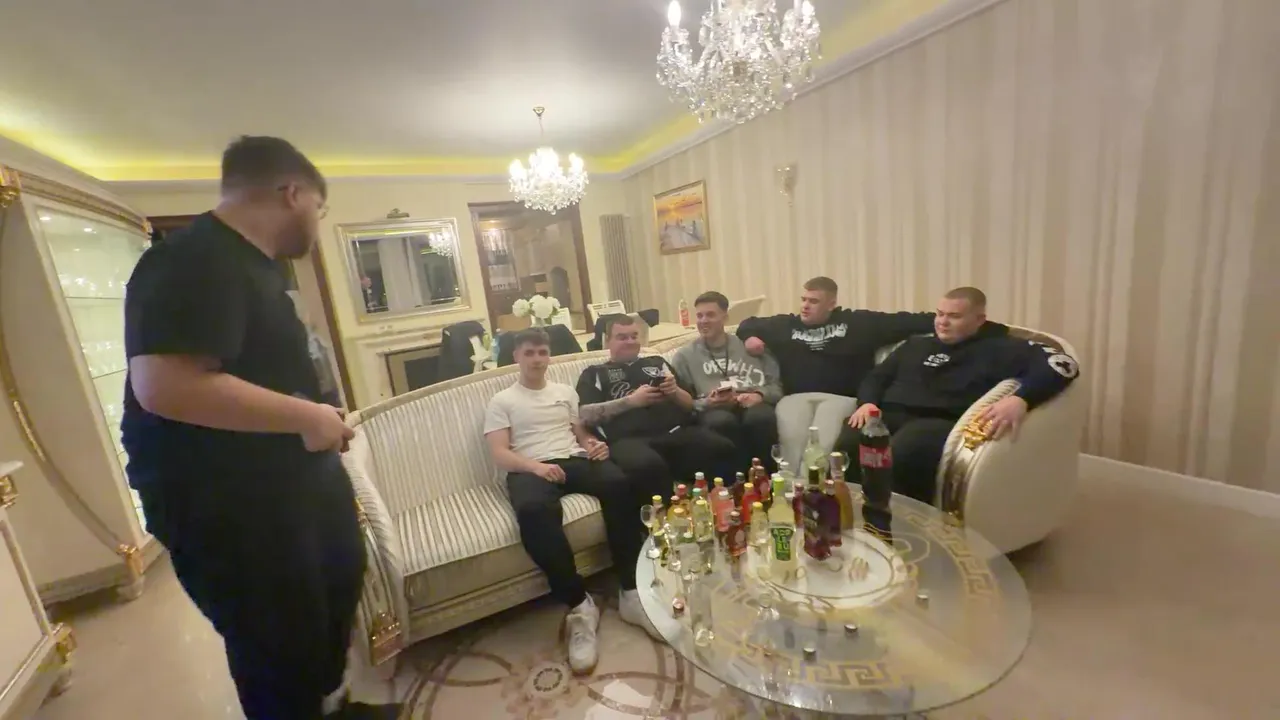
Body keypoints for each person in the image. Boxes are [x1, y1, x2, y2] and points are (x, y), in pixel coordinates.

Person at [122, 137, 393, 719]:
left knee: (335, 595)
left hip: (293, 484)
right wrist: (309, 417)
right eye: (319, 208)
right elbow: (165, 385)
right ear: (291, 193)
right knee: (278, 648)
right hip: (232, 506)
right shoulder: (194, 259)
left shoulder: (256, 268)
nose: (317, 221)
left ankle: (334, 708)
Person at [484, 329, 657, 676]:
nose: (537, 359)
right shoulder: (502, 401)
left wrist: (594, 445)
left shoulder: (564, 392)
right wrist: (536, 467)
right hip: (530, 467)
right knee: (534, 511)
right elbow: (500, 453)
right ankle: (579, 606)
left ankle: (630, 591)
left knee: (619, 483)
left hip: (573, 459)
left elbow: (579, 433)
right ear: (516, 357)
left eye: (542, 352)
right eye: (529, 352)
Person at [835, 287, 1080, 502]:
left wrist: (1022, 398)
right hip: (887, 413)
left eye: (954, 316)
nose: (942, 322)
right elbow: (876, 377)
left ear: (979, 319)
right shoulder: (916, 344)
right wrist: (867, 403)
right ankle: (846, 512)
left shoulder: (1003, 348)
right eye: (939, 314)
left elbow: (1063, 364)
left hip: (938, 420)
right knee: (846, 448)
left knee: (903, 452)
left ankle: (903, 524)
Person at [737, 276, 934, 470]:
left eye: (813, 301)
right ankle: (788, 487)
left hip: (841, 398)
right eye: (803, 299)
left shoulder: (858, 323)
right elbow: (747, 324)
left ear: (831, 304)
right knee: (790, 450)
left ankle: (812, 488)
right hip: (794, 398)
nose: (805, 306)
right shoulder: (785, 325)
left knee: (820, 453)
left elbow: (911, 321)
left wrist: (944, 321)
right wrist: (749, 337)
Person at [576, 315, 738, 493]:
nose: (630, 342)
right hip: (628, 441)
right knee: (648, 466)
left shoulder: (657, 363)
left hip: (674, 432)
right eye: (622, 337)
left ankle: (722, 504)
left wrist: (675, 392)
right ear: (607, 341)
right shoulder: (594, 373)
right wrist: (630, 401)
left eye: (634, 336)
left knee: (721, 448)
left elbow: (690, 404)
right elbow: (585, 414)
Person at [670, 291, 782, 472]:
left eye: (710, 315)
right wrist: (708, 402)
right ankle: (734, 481)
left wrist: (759, 395)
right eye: (699, 316)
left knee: (760, 418)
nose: (703, 321)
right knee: (721, 422)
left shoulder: (749, 346)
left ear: (725, 317)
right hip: (714, 410)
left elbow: (777, 386)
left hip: (753, 403)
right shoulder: (684, 357)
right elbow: (683, 404)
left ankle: (767, 478)